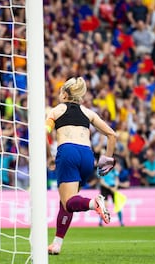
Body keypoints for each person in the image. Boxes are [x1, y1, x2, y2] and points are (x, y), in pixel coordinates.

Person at [46, 77, 117, 255]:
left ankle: (94, 203)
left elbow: (44, 132)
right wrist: (107, 159)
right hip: (87, 155)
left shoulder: (56, 110)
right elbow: (111, 134)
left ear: (64, 93)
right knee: (66, 203)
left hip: (67, 152)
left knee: (69, 202)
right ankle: (57, 244)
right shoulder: (88, 113)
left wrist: (49, 156)